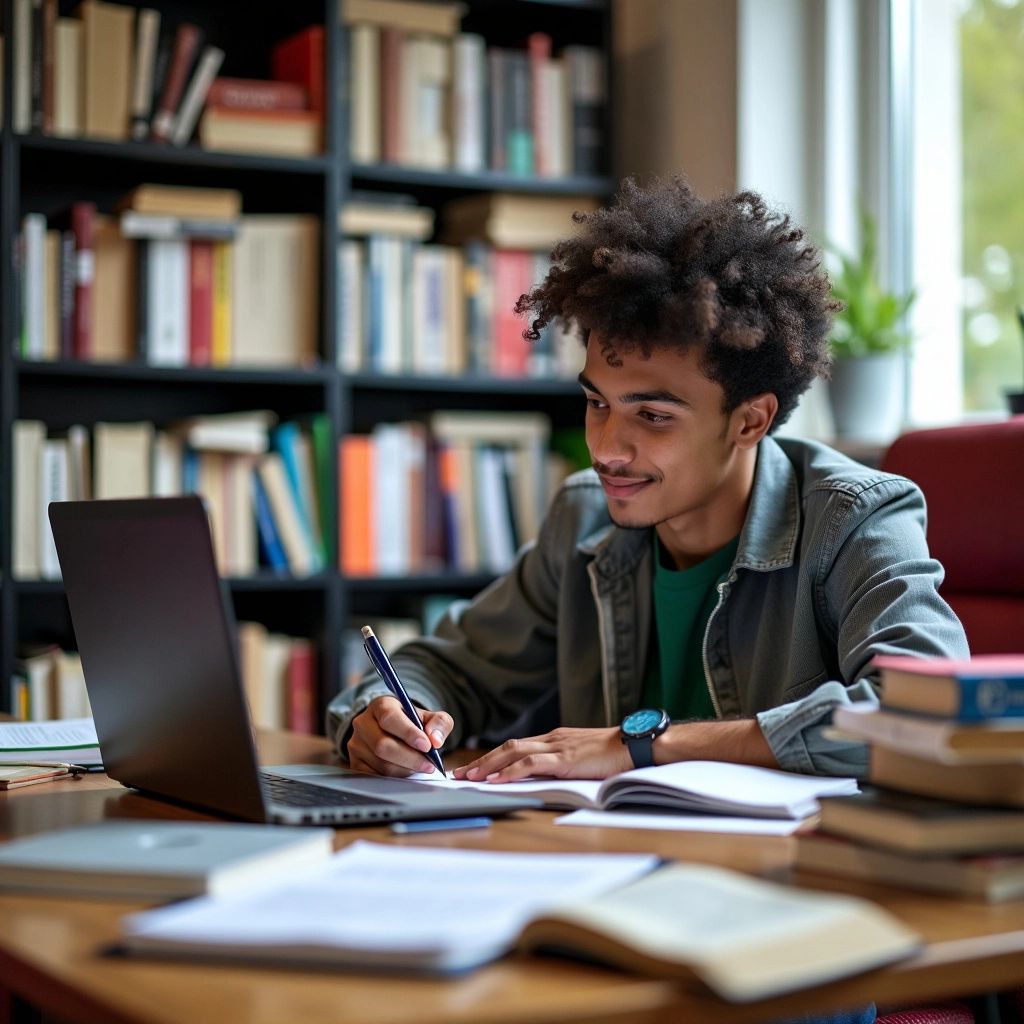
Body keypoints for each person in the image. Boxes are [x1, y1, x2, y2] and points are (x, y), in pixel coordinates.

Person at [328, 176, 968, 789]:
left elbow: (928, 709)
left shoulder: (853, 519)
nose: (605, 448)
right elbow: (446, 667)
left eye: (652, 416)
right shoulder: (583, 519)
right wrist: (385, 716)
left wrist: (641, 746)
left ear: (750, 421)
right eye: (597, 403)